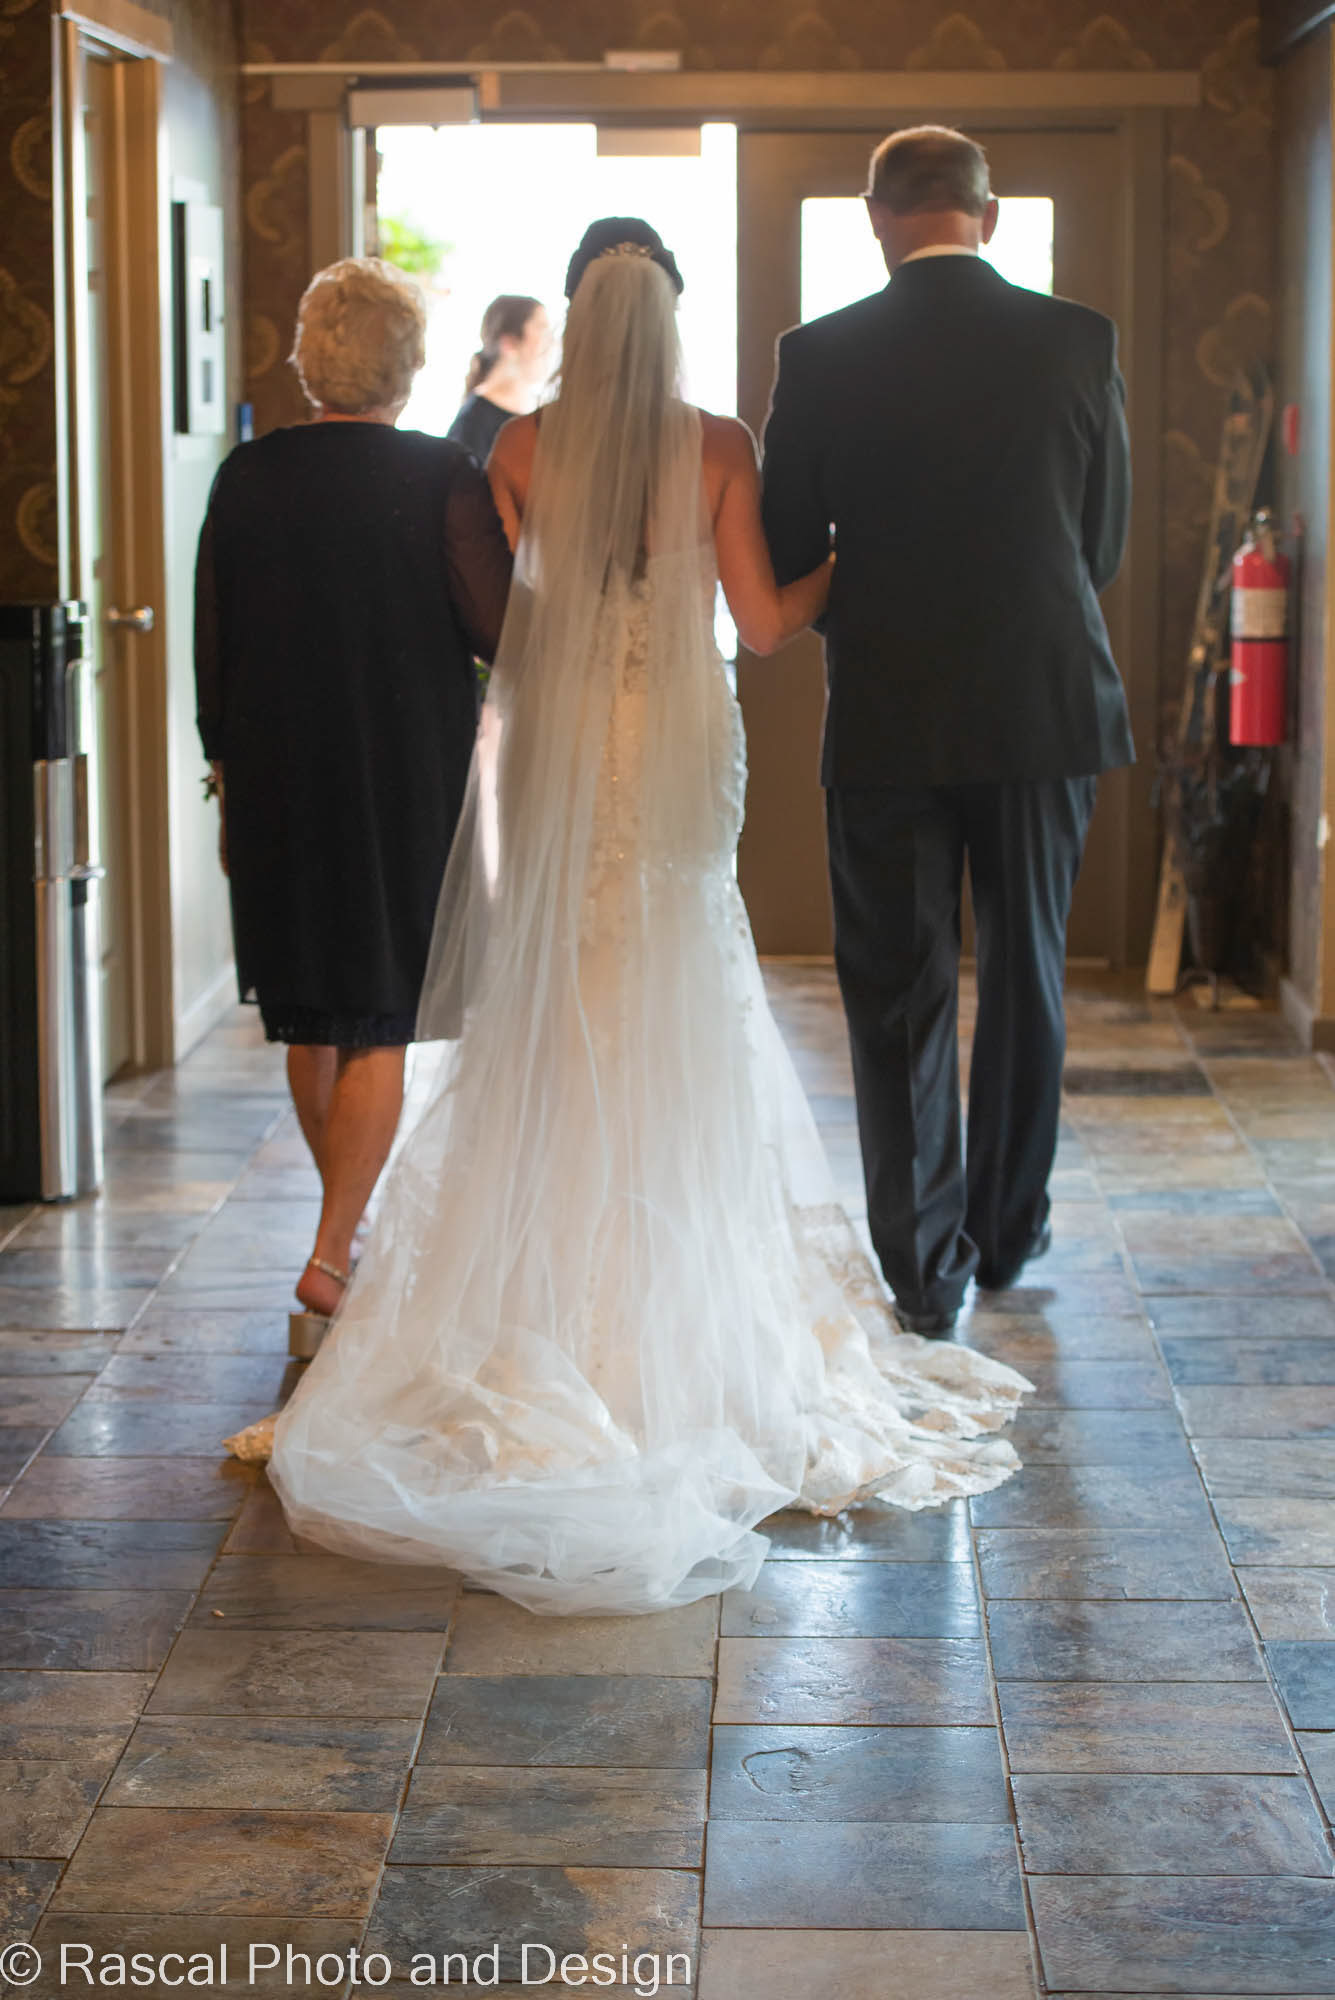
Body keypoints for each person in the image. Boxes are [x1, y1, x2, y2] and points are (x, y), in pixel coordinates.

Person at [233, 216, 1029, 1617]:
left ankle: (533, 1301)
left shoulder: (521, 452)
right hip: (672, 743)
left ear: (581, 318)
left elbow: (513, 624)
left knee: (570, 977)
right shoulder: (715, 442)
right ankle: (679, 1313)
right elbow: (766, 627)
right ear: (664, 309)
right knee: (679, 961)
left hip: (567, 746)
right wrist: (846, 560)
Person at [762, 126, 1133, 1337]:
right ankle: (1009, 1231)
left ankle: (923, 1268)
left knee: (897, 988)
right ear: (991, 215)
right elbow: (1104, 541)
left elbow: (783, 551)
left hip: (886, 710)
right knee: (1026, 973)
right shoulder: (1078, 340)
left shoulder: (817, 354)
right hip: (1044, 698)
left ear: (876, 219)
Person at [195, 256, 513, 1352]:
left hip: (277, 768)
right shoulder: (441, 475)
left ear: (309, 357)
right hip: (398, 769)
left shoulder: (247, 476)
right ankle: (333, 1251)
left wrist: (225, 776)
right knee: (379, 1007)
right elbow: (496, 627)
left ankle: (347, 1226)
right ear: (409, 364)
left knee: (314, 1006)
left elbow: (215, 640)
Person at [446, 294, 549, 463]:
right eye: (541, 329)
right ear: (508, 343)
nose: (551, 342)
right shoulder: (474, 420)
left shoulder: (538, 412)